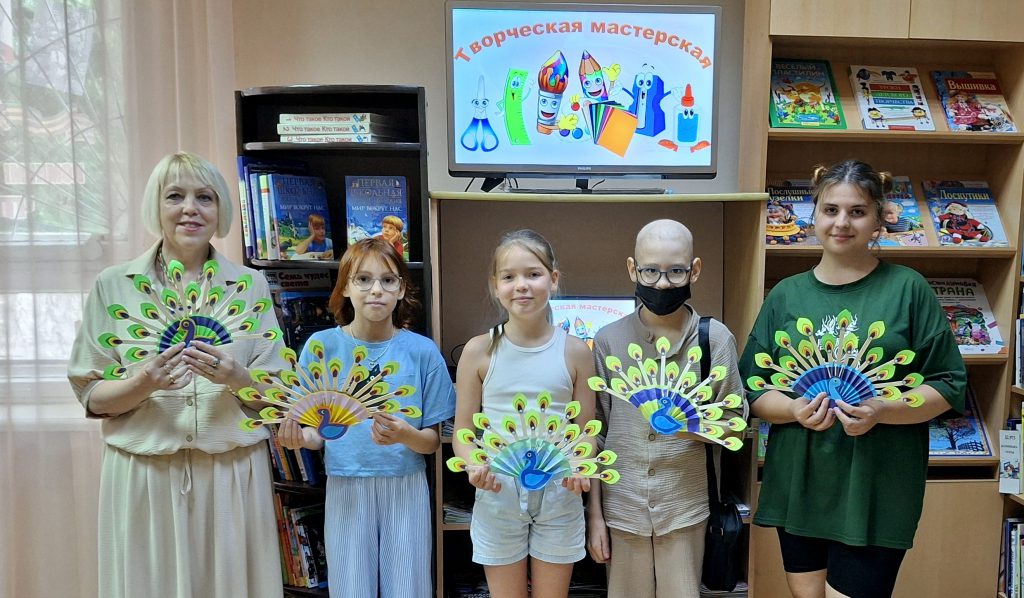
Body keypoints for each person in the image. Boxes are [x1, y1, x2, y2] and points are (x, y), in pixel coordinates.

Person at [739, 160, 966, 598]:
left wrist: (882, 409)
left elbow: (947, 383)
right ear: (814, 216)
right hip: (801, 481)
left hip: (877, 485)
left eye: (857, 211)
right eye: (831, 210)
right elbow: (752, 388)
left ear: (878, 219)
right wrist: (794, 409)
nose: (842, 222)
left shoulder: (908, 288)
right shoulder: (786, 294)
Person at [67, 151, 287, 598]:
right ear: (157, 205)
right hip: (143, 475)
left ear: (221, 208)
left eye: (205, 197)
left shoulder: (250, 286)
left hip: (230, 475)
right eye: (175, 196)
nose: (190, 208)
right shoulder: (114, 285)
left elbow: (276, 398)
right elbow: (91, 396)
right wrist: (144, 382)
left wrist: (236, 377)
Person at [278, 237, 455, 598]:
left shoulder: (422, 351)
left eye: (388, 280)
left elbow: (432, 442)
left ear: (401, 289)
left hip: (405, 485)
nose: (376, 290)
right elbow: (316, 433)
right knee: (351, 587)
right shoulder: (321, 347)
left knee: (407, 587)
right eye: (363, 279)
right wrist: (299, 438)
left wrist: (405, 435)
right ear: (345, 286)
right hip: (346, 483)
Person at [585, 219, 746, 598]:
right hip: (622, 508)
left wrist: (687, 426)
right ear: (632, 269)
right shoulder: (608, 341)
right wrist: (595, 516)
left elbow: (735, 425)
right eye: (650, 271)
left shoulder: (714, 339)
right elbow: (595, 436)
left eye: (675, 271)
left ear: (694, 270)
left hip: (686, 508)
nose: (661, 284)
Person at [454, 229, 596, 598]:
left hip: (559, 496)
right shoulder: (478, 351)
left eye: (533, 274)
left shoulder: (576, 352)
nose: (521, 285)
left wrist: (580, 466)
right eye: (509, 276)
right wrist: (474, 464)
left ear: (553, 279)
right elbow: (463, 433)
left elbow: (586, 433)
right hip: (497, 493)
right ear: (495, 285)